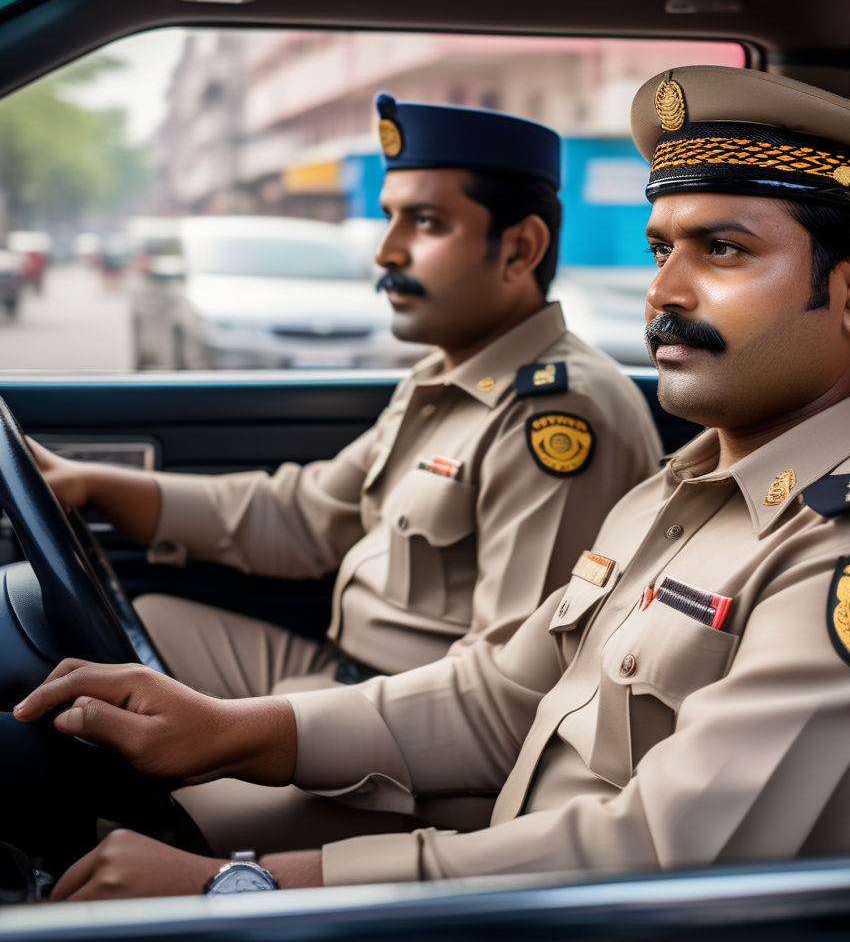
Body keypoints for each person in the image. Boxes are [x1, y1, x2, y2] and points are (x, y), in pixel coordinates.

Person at [16, 65, 850, 901]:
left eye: (722, 250)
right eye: (661, 248)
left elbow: (661, 864)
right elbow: (505, 690)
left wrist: (245, 886)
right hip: (510, 872)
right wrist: (240, 729)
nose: (665, 293)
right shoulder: (694, 481)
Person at [32, 95, 663, 699]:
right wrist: (94, 484)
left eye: (427, 222)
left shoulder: (557, 413)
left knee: (168, 789)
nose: (387, 251)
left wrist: (263, 732)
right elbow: (304, 516)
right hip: (347, 675)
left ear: (520, 248)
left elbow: (510, 686)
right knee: (137, 628)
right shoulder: (443, 379)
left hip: (422, 744)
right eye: (391, 218)